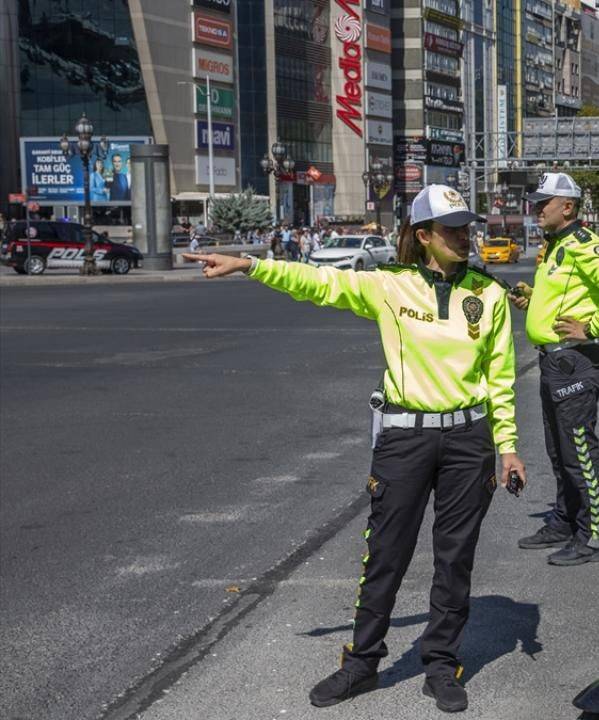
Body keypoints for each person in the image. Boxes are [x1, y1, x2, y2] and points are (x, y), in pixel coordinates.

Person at [181, 184, 526, 714]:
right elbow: (318, 282)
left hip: (467, 440)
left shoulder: (490, 295)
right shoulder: (390, 287)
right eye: (452, 228)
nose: (465, 235)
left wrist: (508, 449)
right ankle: (362, 663)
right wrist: (251, 265)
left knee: (455, 558)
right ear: (423, 236)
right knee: (385, 553)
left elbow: (499, 377)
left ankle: (441, 664)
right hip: (405, 437)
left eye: (467, 226)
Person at [509, 172, 599, 565]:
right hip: (555, 360)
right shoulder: (556, 245)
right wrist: (533, 299)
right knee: (558, 450)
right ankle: (565, 521)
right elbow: (566, 294)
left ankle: (595, 537)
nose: (536, 208)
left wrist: (591, 327)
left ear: (567, 206)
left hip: (575, 360)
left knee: (579, 451)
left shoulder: (583, 244)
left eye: (543, 202)